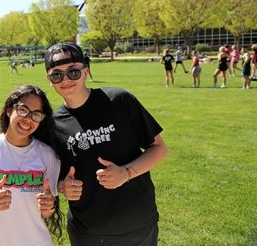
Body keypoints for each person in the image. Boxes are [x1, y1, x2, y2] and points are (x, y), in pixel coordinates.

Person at [43, 42, 168, 246]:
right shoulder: (53, 125)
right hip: (86, 231)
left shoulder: (119, 100)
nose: (65, 80)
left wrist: (126, 173)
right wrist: (63, 186)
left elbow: (159, 148)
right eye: (57, 75)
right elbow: (55, 177)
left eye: (73, 72)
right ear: (50, 80)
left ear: (86, 72)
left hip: (135, 226)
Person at [0, 85, 63, 245]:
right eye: (23, 110)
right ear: (9, 110)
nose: (28, 119)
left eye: (36, 114)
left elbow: (46, 212)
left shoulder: (47, 155)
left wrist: (48, 207)